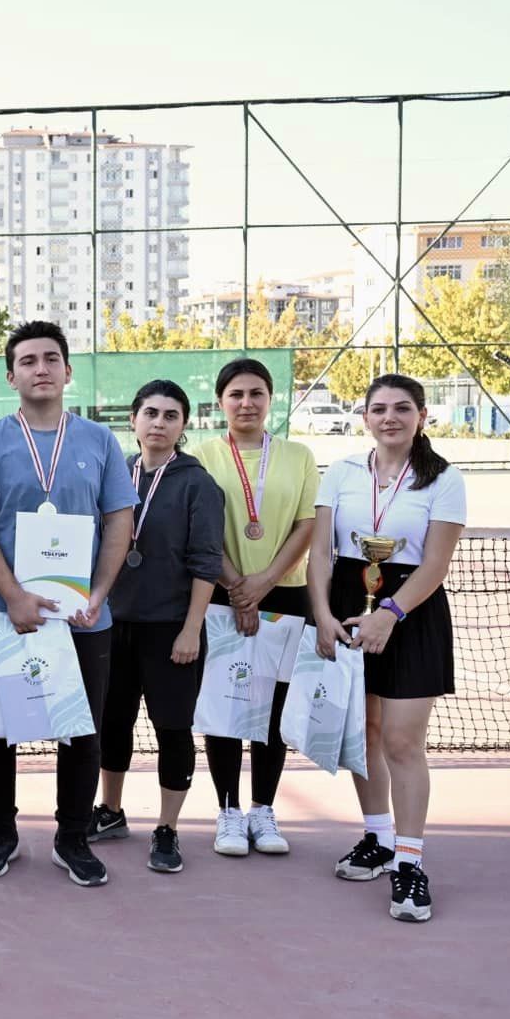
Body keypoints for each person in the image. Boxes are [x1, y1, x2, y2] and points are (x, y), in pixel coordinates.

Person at [0, 320, 134, 888]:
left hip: (84, 618)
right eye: (28, 360)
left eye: (51, 358)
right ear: (11, 376)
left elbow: (119, 521)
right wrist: (12, 596)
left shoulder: (100, 441)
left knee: (82, 730)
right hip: (8, 616)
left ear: (67, 371)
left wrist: (99, 594)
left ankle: (73, 837)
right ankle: (0, 834)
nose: (41, 368)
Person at [309, 374, 465, 923]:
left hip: (412, 613)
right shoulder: (343, 473)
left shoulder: (444, 479)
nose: (390, 417)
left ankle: (410, 862)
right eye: (378, 409)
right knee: (364, 732)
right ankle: (376, 838)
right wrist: (324, 614)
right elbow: (323, 554)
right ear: (365, 417)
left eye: (402, 408)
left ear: (422, 415)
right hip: (349, 600)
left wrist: (390, 615)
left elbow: (435, 565)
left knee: (402, 741)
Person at [91, 381, 224, 874]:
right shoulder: (117, 473)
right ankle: (110, 810)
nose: (159, 423)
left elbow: (206, 562)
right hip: (112, 624)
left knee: (172, 729)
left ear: (184, 426)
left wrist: (191, 629)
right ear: (134, 420)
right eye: (150, 413)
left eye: (171, 415)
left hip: (171, 629)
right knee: (112, 722)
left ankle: (167, 828)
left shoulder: (198, 483)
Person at [198, 357, 318, 858]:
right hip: (220, 593)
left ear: (271, 400)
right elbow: (199, 529)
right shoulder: (203, 455)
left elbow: (307, 524)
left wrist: (264, 584)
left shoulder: (298, 455)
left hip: (285, 594)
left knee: (274, 709)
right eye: (236, 395)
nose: (246, 403)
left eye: (256, 394)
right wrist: (237, 587)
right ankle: (228, 810)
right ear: (221, 402)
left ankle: (263, 810)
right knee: (227, 705)